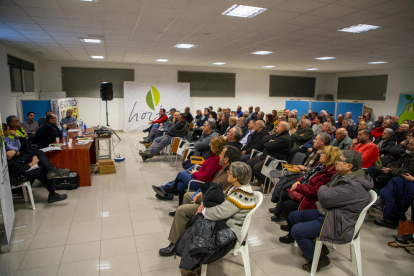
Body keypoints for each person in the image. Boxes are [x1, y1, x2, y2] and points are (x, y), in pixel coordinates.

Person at [290, 150, 373, 272]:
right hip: (332, 212)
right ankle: (319, 246)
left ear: (349, 166)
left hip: (339, 222)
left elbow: (323, 198)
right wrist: (326, 188)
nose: (337, 162)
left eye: (340, 160)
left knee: (296, 231)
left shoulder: (352, 186)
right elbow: (327, 191)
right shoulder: (344, 176)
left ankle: (319, 258)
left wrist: (324, 188)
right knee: (294, 216)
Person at [158, 145, 241, 256]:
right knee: (187, 195)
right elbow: (213, 186)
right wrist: (202, 192)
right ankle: (187, 230)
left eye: (221, 154)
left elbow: (217, 198)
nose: (219, 155)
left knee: (182, 210)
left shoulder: (229, 176)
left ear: (226, 159)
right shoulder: (225, 169)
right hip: (209, 199)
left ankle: (174, 244)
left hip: (213, 207)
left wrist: (201, 201)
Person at [178, 162, 256, 276]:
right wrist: (204, 201)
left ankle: (194, 261)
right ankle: (193, 258)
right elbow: (222, 197)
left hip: (231, 231)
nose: (227, 173)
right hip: (226, 224)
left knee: (199, 222)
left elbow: (220, 212)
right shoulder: (238, 188)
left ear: (236, 178)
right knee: (199, 221)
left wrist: (203, 210)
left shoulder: (240, 196)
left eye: (230, 172)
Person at [278, 146, 340, 244]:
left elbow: (315, 191)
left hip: (314, 200)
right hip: (306, 191)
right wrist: (298, 181)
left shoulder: (330, 173)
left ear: (330, 157)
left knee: (288, 205)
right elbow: (307, 175)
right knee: (285, 194)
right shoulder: (320, 165)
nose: (321, 154)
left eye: (323, 153)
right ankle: (290, 223)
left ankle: (292, 234)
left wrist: (298, 187)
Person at [272, 133, 332, 221]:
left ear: (323, 142)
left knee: (286, 185)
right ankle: (279, 208)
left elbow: (313, 173)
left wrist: (303, 170)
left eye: (316, 139)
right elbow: (306, 145)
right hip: (305, 175)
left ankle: (280, 211)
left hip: (306, 177)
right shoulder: (316, 151)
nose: (314, 140)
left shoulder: (323, 159)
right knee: (284, 180)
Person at [3, 124, 69, 203]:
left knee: (39, 154)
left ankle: (51, 175)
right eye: (8, 130)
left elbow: (19, 153)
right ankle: (52, 191)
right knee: (41, 168)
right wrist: (32, 163)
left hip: (20, 163)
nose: (9, 132)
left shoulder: (5, 144)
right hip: (16, 175)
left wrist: (15, 152)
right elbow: (18, 170)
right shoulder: (4, 152)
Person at [161, 136, 226, 204]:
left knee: (180, 174)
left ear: (215, 147)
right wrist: (197, 172)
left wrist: (195, 173)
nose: (210, 146)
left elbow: (204, 177)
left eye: (211, 144)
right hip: (199, 178)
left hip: (200, 183)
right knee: (180, 184)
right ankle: (178, 202)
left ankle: (171, 190)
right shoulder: (214, 157)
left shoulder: (215, 161)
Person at [246, 121, 291, 191]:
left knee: (256, 168)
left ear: (283, 128)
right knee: (249, 163)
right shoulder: (277, 135)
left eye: (278, 126)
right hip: (266, 156)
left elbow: (268, 146)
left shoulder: (284, 138)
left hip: (274, 159)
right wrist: (269, 141)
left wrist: (269, 142)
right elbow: (265, 138)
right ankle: (260, 179)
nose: (276, 127)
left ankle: (269, 183)